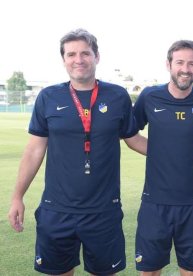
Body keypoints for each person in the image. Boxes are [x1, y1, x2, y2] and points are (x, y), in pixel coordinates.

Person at [8, 28, 146, 276]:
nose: (78, 59)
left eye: (85, 53)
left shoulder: (117, 96)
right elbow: (34, 151)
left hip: (103, 210)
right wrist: (17, 196)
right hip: (57, 210)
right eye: (71, 54)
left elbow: (133, 139)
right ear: (64, 60)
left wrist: (175, 152)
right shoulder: (48, 97)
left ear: (97, 57)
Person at [132, 40, 193, 276]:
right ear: (168, 64)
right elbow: (130, 133)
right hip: (155, 202)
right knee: (150, 270)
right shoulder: (150, 96)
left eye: (191, 64)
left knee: (191, 271)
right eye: (180, 62)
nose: (185, 69)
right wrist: (159, 154)